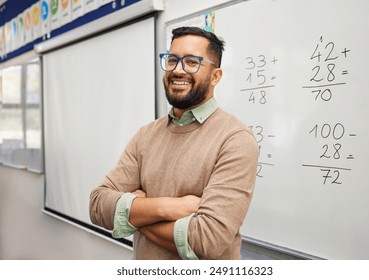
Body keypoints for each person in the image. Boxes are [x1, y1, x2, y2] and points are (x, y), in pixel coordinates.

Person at [89, 26, 259, 260]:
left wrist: (135, 213)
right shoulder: (146, 135)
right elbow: (98, 205)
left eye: (191, 62)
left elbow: (206, 240)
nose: (178, 70)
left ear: (215, 76)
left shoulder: (235, 139)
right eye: (172, 60)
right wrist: (167, 207)